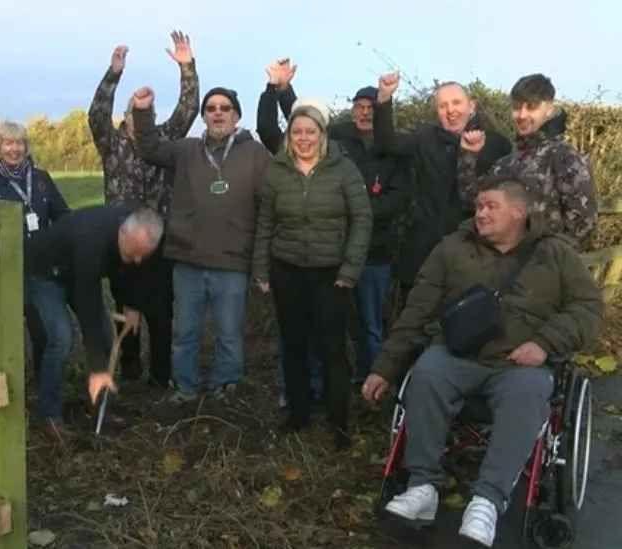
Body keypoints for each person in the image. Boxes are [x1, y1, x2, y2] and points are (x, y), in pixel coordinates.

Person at [362, 176, 603, 547]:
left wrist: (545, 342)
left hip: (519, 364)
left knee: (530, 390)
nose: (481, 213)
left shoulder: (556, 253)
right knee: (426, 371)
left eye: (491, 206)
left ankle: (488, 501)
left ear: (519, 212)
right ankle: (422, 486)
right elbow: (417, 310)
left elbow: (587, 309)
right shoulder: (452, 249)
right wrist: (384, 368)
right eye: (478, 207)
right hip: (458, 354)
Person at [132, 85, 270, 403]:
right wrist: (142, 111)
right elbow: (150, 148)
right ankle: (185, 387)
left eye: (225, 107)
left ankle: (226, 385)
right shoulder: (186, 149)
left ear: (236, 115)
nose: (218, 112)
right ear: (205, 116)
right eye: (211, 108)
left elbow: (269, 203)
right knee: (184, 333)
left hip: (233, 261)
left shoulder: (256, 154)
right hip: (188, 260)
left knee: (229, 333)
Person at [252, 100, 372, 449]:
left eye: (311, 131)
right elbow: (265, 223)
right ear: (290, 135)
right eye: (297, 131)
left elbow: (362, 220)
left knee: (332, 348)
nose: (303, 138)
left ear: (322, 134)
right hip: (287, 270)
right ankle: (299, 414)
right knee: (293, 346)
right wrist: (261, 269)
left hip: (330, 274)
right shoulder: (277, 170)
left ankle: (339, 423)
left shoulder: (343, 169)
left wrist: (349, 270)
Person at [88, 31, 198, 386]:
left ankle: (161, 375)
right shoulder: (111, 143)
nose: (138, 121)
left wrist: (187, 68)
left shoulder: (164, 138)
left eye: (143, 114)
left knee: (161, 313)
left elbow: (188, 108)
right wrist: (113, 73)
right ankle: (131, 371)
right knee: (126, 310)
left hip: (160, 240)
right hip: (121, 242)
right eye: (133, 116)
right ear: (126, 118)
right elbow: (96, 113)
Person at [25, 206, 164, 433]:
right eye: (133, 253)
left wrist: (132, 305)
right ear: (123, 233)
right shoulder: (91, 240)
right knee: (61, 338)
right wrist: (98, 367)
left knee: (107, 340)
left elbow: (134, 270)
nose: (138, 259)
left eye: (143, 254)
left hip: (76, 273)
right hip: (45, 274)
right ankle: (49, 414)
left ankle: (98, 408)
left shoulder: (135, 233)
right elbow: (88, 305)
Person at [372, 72, 512, 294]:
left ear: (471, 106)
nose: (451, 110)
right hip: (424, 254)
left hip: (475, 253)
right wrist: (384, 99)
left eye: (457, 103)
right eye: (443, 106)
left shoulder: (497, 145)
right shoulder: (424, 137)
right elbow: (386, 143)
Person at [0, 122, 71, 438]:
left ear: (26, 146)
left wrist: (58, 248)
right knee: (8, 345)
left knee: (58, 336)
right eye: (7, 143)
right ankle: (5, 409)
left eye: (20, 144)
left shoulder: (41, 179)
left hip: (42, 273)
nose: (14, 149)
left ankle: (50, 410)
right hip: (5, 274)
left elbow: (64, 217)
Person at [458, 73, 597, 247]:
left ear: (549, 108)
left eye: (531, 107)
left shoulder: (565, 157)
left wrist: (546, 261)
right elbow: (473, 202)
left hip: (546, 268)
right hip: (501, 267)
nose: (522, 115)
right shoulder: (506, 162)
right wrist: (468, 156)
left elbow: (584, 223)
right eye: (517, 107)